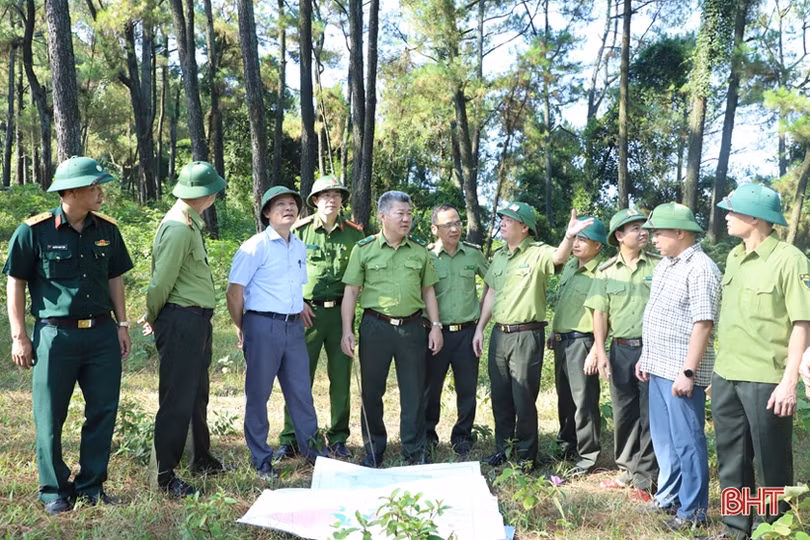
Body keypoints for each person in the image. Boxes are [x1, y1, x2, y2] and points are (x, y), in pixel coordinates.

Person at [4, 156, 133, 514]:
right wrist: (19, 336)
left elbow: (115, 278)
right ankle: (54, 490)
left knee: (103, 411)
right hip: (55, 336)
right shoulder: (33, 231)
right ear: (71, 192)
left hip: (101, 335)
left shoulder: (107, 230)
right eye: (94, 187)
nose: (101, 193)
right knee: (50, 416)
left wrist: (122, 324)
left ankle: (92, 486)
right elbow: (16, 282)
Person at [712, 184, 810, 540]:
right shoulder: (734, 256)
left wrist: (788, 382)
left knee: (772, 464)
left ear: (754, 217)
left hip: (766, 379)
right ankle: (736, 528)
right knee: (732, 460)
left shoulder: (790, 259)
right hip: (727, 375)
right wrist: (718, 372)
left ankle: (772, 530)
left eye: (732, 210)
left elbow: (802, 323)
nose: (726, 217)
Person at [472, 204, 593, 469]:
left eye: (509, 219)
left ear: (524, 227)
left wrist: (569, 236)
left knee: (523, 397)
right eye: (502, 218)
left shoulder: (538, 252)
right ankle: (503, 449)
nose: (502, 223)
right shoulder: (500, 255)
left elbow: (559, 257)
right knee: (500, 396)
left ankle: (526, 456)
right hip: (500, 335)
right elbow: (491, 293)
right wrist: (480, 328)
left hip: (526, 335)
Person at [226, 186, 326, 481]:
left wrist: (300, 304)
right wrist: (242, 326)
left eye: (292, 204)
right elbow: (234, 293)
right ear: (267, 212)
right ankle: (261, 459)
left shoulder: (298, 245)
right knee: (259, 394)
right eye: (280, 204)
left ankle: (315, 454)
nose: (288, 208)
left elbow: (292, 283)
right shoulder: (255, 246)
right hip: (262, 325)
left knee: (301, 393)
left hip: (293, 327)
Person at [141, 161, 228, 498]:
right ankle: (163, 475)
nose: (216, 196)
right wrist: (152, 315)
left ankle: (200, 458)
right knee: (177, 398)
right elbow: (161, 281)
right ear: (206, 194)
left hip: (195, 321)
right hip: (181, 320)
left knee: (195, 394)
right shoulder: (179, 226)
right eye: (214, 191)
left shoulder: (190, 222)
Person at [341, 191, 443, 467]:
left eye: (409, 213)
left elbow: (429, 291)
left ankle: (414, 450)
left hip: (412, 328)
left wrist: (435, 326)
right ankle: (374, 449)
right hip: (376, 327)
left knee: (414, 392)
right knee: (372, 392)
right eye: (400, 213)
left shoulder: (419, 251)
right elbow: (351, 292)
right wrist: (347, 330)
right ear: (383, 216)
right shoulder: (364, 249)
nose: (406, 218)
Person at [635, 202, 721, 532]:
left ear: (681, 233)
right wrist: (646, 357)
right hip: (657, 365)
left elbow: (703, 324)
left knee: (687, 442)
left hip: (680, 372)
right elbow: (657, 315)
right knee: (665, 441)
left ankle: (693, 510)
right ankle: (668, 497)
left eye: (659, 233)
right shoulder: (665, 265)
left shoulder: (701, 269)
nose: (653, 238)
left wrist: (688, 372)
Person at [276, 176, 364, 460]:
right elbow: (284, 270)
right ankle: (292, 437)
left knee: (341, 379)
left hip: (340, 314)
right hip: (306, 314)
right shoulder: (299, 231)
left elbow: (361, 276)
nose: (331, 200)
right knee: (298, 378)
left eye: (336, 195)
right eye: (325, 195)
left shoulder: (354, 235)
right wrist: (298, 301)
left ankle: (338, 437)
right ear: (315, 200)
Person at [585, 208, 660, 503]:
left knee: (649, 413)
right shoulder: (606, 271)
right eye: (635, 228)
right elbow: (600, 313)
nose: (643, 232)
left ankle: (646, 478)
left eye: (644, 227)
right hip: (620, 350)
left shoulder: (658, 265)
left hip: (652, 349)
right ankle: (627, 470)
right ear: (619, 235)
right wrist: (600, 351)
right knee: (624, 411)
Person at [424, 204, 489, 456]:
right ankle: (428, 435)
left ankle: (462, 436)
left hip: (466, 333)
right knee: (430, 389)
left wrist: (480, 319)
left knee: (467, 388)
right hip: (434, 333)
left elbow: (492, 283)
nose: (454, 229)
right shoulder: (426, 256)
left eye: (457, 223)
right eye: (448, 225)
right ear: (435, 229)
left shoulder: (473, 254)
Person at [548, 217, 606, 477]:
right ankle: (567, 444)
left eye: (584, 239)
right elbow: (564, 302)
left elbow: (605, 314)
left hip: (583, 341)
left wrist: (596, 350)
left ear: (598, 245)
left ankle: (588, 455)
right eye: (576, 238)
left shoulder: (601, 272)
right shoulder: (571, 266)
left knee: (584, 401)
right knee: (565, 398)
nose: (577, 244)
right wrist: (554, 331)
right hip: (562, 340)